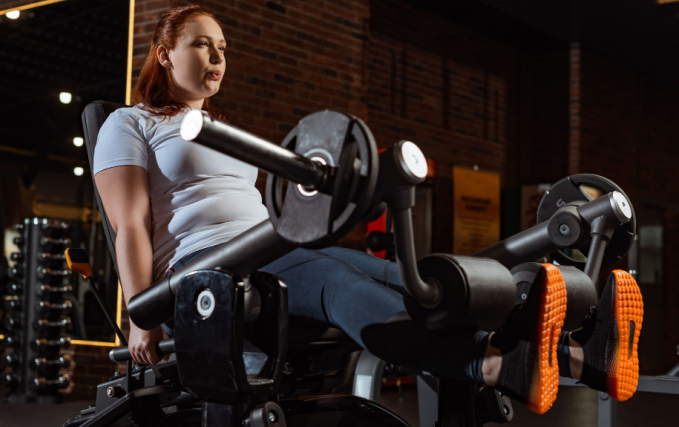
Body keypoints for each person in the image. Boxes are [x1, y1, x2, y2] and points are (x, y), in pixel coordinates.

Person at [92, 5, 643, 414]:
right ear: (164, 53)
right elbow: (131, 224)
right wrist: (141, 315)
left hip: (269, 247)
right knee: (337, 280)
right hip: (207, 270)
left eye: (223, 48)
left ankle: (581, 357)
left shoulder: (220, 130)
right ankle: (492, 363)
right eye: (201, 45)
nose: (217, 58)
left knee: (414, 276)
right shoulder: (130, 123)